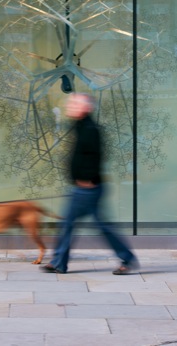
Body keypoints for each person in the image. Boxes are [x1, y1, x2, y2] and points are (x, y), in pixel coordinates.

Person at [40, 92, 139, 275]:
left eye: (75, 104)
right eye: (70, 103)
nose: (70, 106)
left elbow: (97, 157)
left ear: (86, 108)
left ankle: (59, 262)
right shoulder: (80, 126)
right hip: (83, 188)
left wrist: (88, 181)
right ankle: (58, 262)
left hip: (88, 188)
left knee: (80, 225)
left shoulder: (90, 129)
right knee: (82, 225)